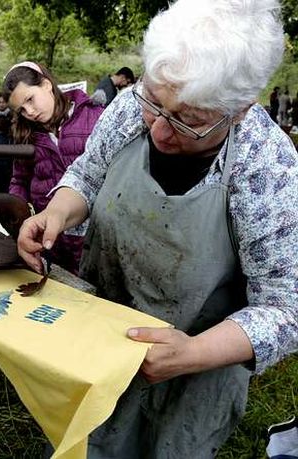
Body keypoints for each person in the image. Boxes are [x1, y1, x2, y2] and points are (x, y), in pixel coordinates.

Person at [17, 0, 298, 457]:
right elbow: (88, 174)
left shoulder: (267, 166)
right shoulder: (132, 109)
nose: (161, 132)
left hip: (196, 361)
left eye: (189, 122)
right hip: (101, 334)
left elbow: (286, 309)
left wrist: (191, 353)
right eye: (155, 103)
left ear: (241, 110)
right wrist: (58, 213)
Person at [2, 61, 104, 274]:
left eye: (30, 99)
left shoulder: (95, 116)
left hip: (98, 237)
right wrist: (20, 215)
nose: (29, 112)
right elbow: (19, 180)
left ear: (47, 85)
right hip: (53, 241)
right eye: (21, 110)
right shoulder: (26, 136)